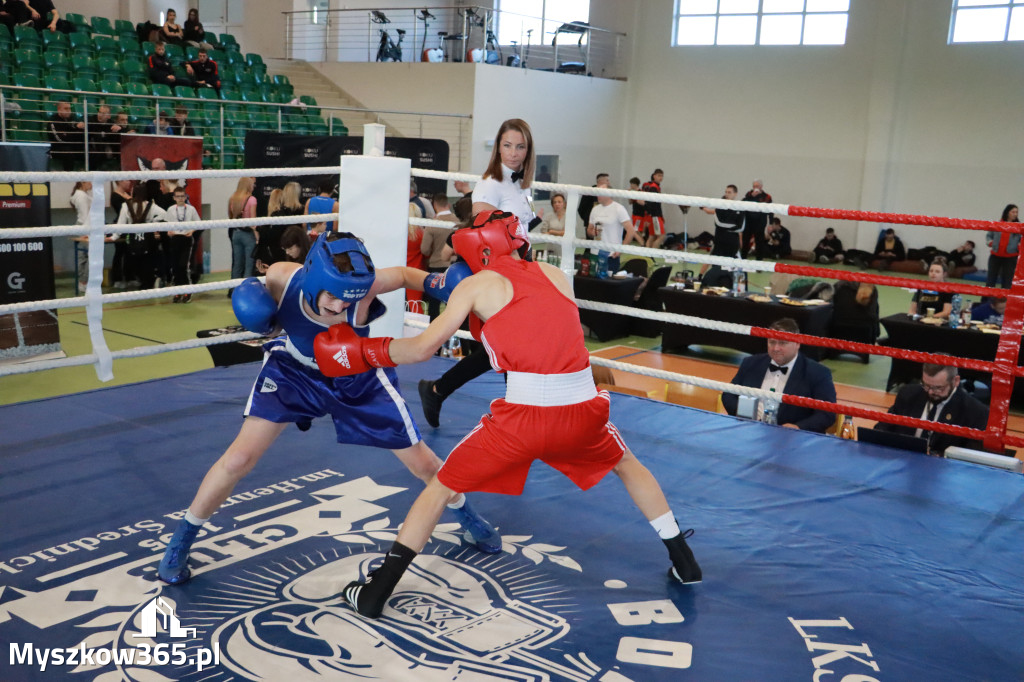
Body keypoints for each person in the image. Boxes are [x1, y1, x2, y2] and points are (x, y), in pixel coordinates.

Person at [312, 211, 702, 618]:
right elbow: (526, 318)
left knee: (439, 488)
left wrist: (362, 353)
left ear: (474, 250)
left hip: (525, 418)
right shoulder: (555, 274)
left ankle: (377, 591)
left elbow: (423, 348)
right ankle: (684, 560)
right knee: (625, 463)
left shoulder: (477, 284)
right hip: (585, 409)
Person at [157, 232, 501, 585]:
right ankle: (182, 538)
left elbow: (400, 273)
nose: (339, 307)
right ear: (314, 280)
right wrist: (263, 318)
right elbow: (272, 314)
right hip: (294, 373)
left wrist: (435, 283)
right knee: (238, 459)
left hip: (357, 377)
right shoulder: (282, 277)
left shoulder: (363, 287)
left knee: (424, 464)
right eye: (332, 297)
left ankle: (468, 517)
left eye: (346, 300)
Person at [418, 118, 542, 429]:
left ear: (528, 150)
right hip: (499, 272)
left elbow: (522, 228)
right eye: (507, 145)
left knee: (501, 347)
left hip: (520, 269)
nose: (513, 153)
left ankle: (437, 390)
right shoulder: (490, 183)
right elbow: (483, 234)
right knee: (512, 343)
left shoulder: (520, 183)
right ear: (498, 147)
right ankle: (517, 413)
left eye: (520, 146)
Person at [721, 318, 838, 433]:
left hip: (792, 440)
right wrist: (743, 413)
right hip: (749, 432)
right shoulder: (751, 363)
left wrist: (798, 427)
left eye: (782, 343)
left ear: (797, 343)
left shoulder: (818, 373)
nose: (776, 348)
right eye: (772, 342)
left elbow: (827, 414)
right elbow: (728, 395)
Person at [874, 364, 990, 456]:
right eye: (926, 385)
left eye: (938, 388)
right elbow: (882, 429)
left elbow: (971, 457)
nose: (930, 392)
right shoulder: (908, 394)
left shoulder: (975, 412)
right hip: (902, 464)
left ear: (956, 381)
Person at [116, 184, 167, 290]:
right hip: (148, 240)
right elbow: (164, 213)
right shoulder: (150, 205)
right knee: (148, 262)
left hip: (132, 240)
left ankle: (136, 280)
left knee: (132, 260)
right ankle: (148, 283)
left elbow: (120, 225)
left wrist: (113, 237)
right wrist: (153, 222)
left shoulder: (126, 206)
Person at [586, 175, 640, 274]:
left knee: (609, 285)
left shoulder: (618, 209)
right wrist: (592, 232)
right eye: (597, 193)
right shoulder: (595, 209)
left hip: (611, 255)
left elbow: (631, 231)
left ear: (609, 194)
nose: (598, 195)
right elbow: (589, 230)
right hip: (595, 253)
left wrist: (620, 249)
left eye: (600, 193)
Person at [420, 193, 458, 320]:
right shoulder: (459, 222)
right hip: (455, 267)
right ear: (448, 204)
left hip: (436, 266)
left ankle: (433, 334)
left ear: (434, 206)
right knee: (455, 304)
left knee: (434, 305)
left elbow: (424, 249)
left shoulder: (432, 224)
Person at [699, 184, 743, 287]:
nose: (727, 194)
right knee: (712, 260)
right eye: (726, 192)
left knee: (736, 265)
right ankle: (700, 277)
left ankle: (738, 287)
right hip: (720, 241)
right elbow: (718, 221)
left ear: (735, 194)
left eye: (729, 192)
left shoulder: (740, 208)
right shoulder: (720, 206)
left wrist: (734, 232)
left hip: (732, 243)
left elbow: (740, 227)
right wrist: (704, 208)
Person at [164, 185, 201, 302]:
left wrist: (192, 231)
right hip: (175, 239)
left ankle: (187, 290)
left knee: (183, 265)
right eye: (178, 196)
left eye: (182, 196)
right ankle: (177, 290)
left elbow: (199, 223)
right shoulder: (170, 209)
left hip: (186, 239)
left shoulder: (191, 209)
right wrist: (168, 232)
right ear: (174, 198)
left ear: (185, 197)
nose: (180, 198)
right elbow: (166, 224)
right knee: (175, 266)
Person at [228, 176, 257, 294]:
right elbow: (253, 222)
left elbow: (230, 217)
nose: (254, 186)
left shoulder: (232, 198)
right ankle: (246, 292)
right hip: (248, 234)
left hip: (235, 233)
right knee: (249, 264)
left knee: (237, 263)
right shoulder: (252, 199)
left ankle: (233, 290)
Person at [986, 205, 1020, 289]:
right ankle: (987, 301)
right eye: (1013, 212)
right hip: (995, 256)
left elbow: (1021, 239)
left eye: (1016, 212)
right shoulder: (997, 224)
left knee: (1007, 281)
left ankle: (1004, 302)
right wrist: (991, 243)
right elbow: (988, 236)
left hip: (1010, 258)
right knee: (990, 279)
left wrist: (1019, 247)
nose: (1015, 214)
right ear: (1007, 212)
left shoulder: (1019, 227)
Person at [109, 180, 134, 288]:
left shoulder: (127, 194)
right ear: (119, 182)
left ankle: (130, 277)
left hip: (129, 226)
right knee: (119, 253)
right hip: (120, 225)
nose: (129, 182)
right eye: (126, 180)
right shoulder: (115, 196)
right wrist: (130, 200)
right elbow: (123, 211)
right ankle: (117, 279)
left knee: (129, 253)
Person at [48, 101, 84, 171]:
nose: (69, 111)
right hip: (57, 148)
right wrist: (74, 132)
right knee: (68, 152)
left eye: (69, 109)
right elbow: (60, 139)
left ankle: (91, 177)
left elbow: (80, 134)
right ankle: (68, 177)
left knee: (91, 151)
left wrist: (70, 134)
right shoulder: (53, 120)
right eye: (66, 109)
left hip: (72, 146)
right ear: (59, 109)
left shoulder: (72, 118)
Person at [741, 179, 773, 260]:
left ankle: (759, 262)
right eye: (754, 186)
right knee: (745, 242)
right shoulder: (749, 194)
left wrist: (771, 223)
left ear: (761, 187)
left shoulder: (767, 197)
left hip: (760, 223)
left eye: (757, 186)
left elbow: (771, 210)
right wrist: (752, 196)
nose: (755, 188)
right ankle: (742, 260)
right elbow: (743, 203)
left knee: (759, 243)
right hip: (748, 222)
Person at [70, 182, 93, 292]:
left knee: (84, 256)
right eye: (90, 181)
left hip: (85, 226)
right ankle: (84, 281)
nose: (92, 184)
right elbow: (84, 215)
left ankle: (84, 281)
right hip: (84, 226)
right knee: (86, 256)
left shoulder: (83, 194)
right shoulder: (81, 196)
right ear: (83, 182)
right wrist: (86, 231)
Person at [87, 104, 123, 171]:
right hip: (93, 146)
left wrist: (119, 129)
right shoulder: (91, 120)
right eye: (99, 112)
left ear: (109, 116)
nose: (100, 115)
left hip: (106, 147)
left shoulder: (111, 124)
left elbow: (115, 138)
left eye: (103, 113)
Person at [641, 169, 666, 249]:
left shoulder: (656, 187)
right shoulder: (653, 187)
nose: (661, 177)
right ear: (654, 176)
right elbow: (651, 203)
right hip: (655, 216)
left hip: (654, 215)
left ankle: (648, 256)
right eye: (659, 175)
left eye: (662, 176)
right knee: (661, 236)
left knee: (652, 236)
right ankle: (653, 255)